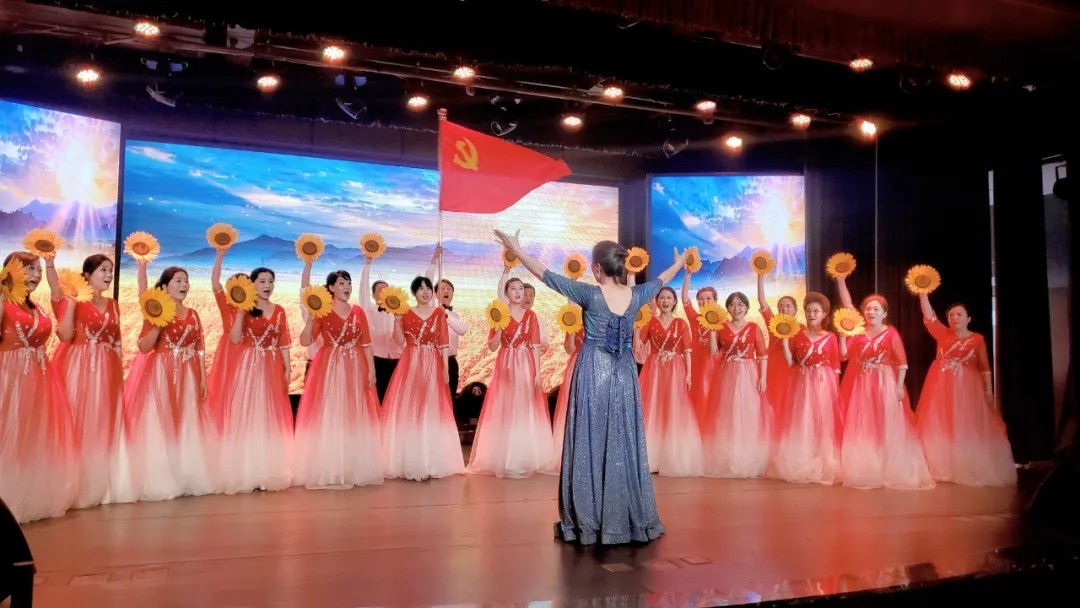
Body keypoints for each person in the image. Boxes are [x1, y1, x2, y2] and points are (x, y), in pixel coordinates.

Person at [494, 229, 688, 546]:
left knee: (590, 439)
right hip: (624, 374)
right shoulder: (637, 295)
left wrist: (517, 249)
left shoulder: (589, 293)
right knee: (622, 439)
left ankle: (591, 519)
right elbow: (662, 280)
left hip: (594, 371)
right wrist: (679, 263)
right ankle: (624, 517)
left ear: (597, 268)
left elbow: (545, 274)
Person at [913, 293, 1015, 486]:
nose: (955, 318)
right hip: (941, 388)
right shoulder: (943, 334)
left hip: (967, 389)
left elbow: (984, 367)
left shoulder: (977, 339)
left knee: (965, 425)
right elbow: (929, 317)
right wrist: (922, 294)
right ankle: (940, 467)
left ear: (968, 318)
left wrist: (988, 390)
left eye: (959, 314)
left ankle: (965, 466)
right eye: (951, 315)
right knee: (940, 423)